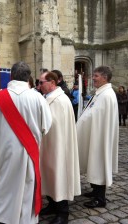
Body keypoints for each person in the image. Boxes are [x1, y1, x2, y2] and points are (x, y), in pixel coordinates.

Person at [0, 61, 52, 224]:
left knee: (4, 183)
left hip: (4, 152)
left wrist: (0, 139)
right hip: (30, 152)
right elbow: (46, 126)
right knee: (27, 184)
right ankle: (25, 218)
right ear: (28, 77)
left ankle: (0, 215)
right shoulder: (38, 98)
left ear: (11, 76)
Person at [39, 71, 81, 224]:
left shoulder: (59, 100)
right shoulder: (50, 98)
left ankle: (63, 213)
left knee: (59, 176)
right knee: (50, 175)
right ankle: (52, 204)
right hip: (49, 144)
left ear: (52, 83)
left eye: (41, 82)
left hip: (58, 146)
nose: (39, 85)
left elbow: (55, 125)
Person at [76, 66, 119, 208]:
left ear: (105, 77)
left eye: (96, 76)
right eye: (93, 75)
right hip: (95, 134)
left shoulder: (106, 95)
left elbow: (97, 116)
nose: (93, 78)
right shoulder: (100, 93)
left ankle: (100, 199)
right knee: (94, 163)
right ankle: (95, 190)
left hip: (100, 138)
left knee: (99, 164)